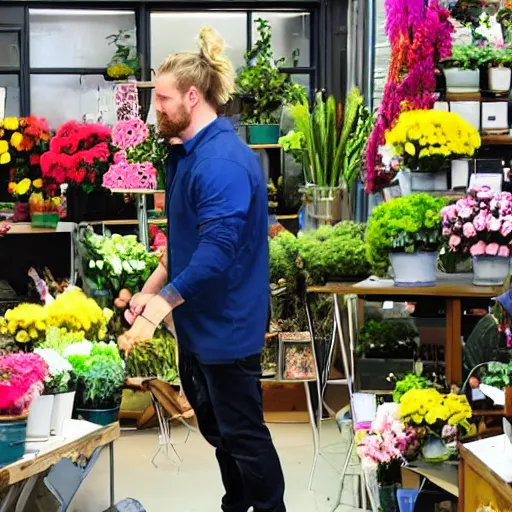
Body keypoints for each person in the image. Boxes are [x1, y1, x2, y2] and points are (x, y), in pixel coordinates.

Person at [117, 27, 286, 512]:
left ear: (193, 97)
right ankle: (237, 505)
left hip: (227, 327)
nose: (157, 110)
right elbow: (184, 243)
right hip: (197, 325)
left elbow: (217, 251)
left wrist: (159, 308)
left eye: (164, 99)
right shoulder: (184, 155)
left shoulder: (223, 162)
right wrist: (149, 291)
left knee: (243, 434)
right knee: (219, 432)